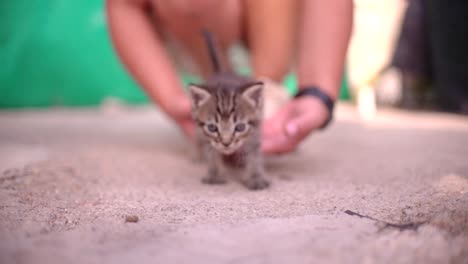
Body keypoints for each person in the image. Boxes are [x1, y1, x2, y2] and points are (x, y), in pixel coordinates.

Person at [106, 0, 353, 154]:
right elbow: (123, 5)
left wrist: (317, 91)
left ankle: (268, 90)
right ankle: (217, 86)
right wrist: (172, 100)